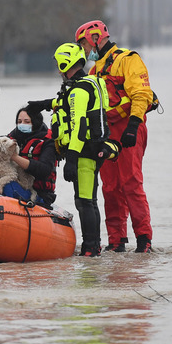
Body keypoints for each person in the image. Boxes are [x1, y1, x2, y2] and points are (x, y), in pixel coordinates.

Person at [76, 20, 155, 253]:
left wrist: (133, 124)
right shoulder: (94, 70)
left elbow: (142, 94)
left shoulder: (128, 59)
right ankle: (116, 240)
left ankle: (144, 239)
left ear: (94, 38)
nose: (83, 50)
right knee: (110, 187)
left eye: (83, 44)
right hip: (106, 131)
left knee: (131, 183)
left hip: (129, 127)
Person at [40, 43, 119, 257]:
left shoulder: (78, 91)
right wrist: (45, 103)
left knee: (85, 201)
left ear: (66, 63)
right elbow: (70, 105)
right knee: (87, 200)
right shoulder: (88, 83)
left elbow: (79, 127)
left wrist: (72, 158)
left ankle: (91, 249)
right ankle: (94, 246)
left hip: (84, 152)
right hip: (92, 149)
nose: (58, 69)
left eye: (59, 64)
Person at [0, 106, 58, 209]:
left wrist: (14, 157)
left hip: (40, 193)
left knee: (8, 186)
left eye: (27, 121)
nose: (22, 124)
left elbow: (45, 170)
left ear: (35, 122)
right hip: (20, 184)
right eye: (19, 121)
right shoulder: (14, 137)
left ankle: (7, 213)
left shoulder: (48, 142)